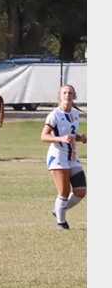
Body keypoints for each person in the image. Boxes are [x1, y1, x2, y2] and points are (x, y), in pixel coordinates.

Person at [41, 85, 86, 230]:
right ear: (60, 96)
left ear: (74, 96)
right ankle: (61, 223)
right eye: (65, 93)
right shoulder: (54, 115)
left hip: (72, 156)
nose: (68, 95)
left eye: (70, 93)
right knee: (64, 192)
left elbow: (72, 135)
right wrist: (60, 139)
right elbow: (44, 136)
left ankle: (59, 210)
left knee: (81, 191)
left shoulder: (75, 113)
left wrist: (81, 138)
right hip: (58, 156)